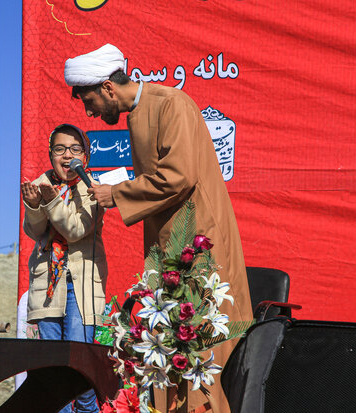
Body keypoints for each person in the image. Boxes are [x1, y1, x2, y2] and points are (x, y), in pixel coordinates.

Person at [64, 44, 253, 413]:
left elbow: (178, 176)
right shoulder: (139, 113)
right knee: (172, 350)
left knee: (201, 350)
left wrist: (117, 193)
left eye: (89, 101)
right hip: (170, 251)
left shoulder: (171, 103)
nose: (88, 112)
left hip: (200, 247)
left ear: (107, 88)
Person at [22, 124, 107, 413]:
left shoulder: (93, 188)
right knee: (51, 368)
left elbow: (75, 229)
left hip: (81, 284)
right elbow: (35, 232)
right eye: (60, 149)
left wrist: (49, 201)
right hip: (48, 284)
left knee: (78, 365)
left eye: (74, 149)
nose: (67, 155)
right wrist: (34, 206)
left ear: (85, 155)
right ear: (50, 155)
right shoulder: (41, 184)